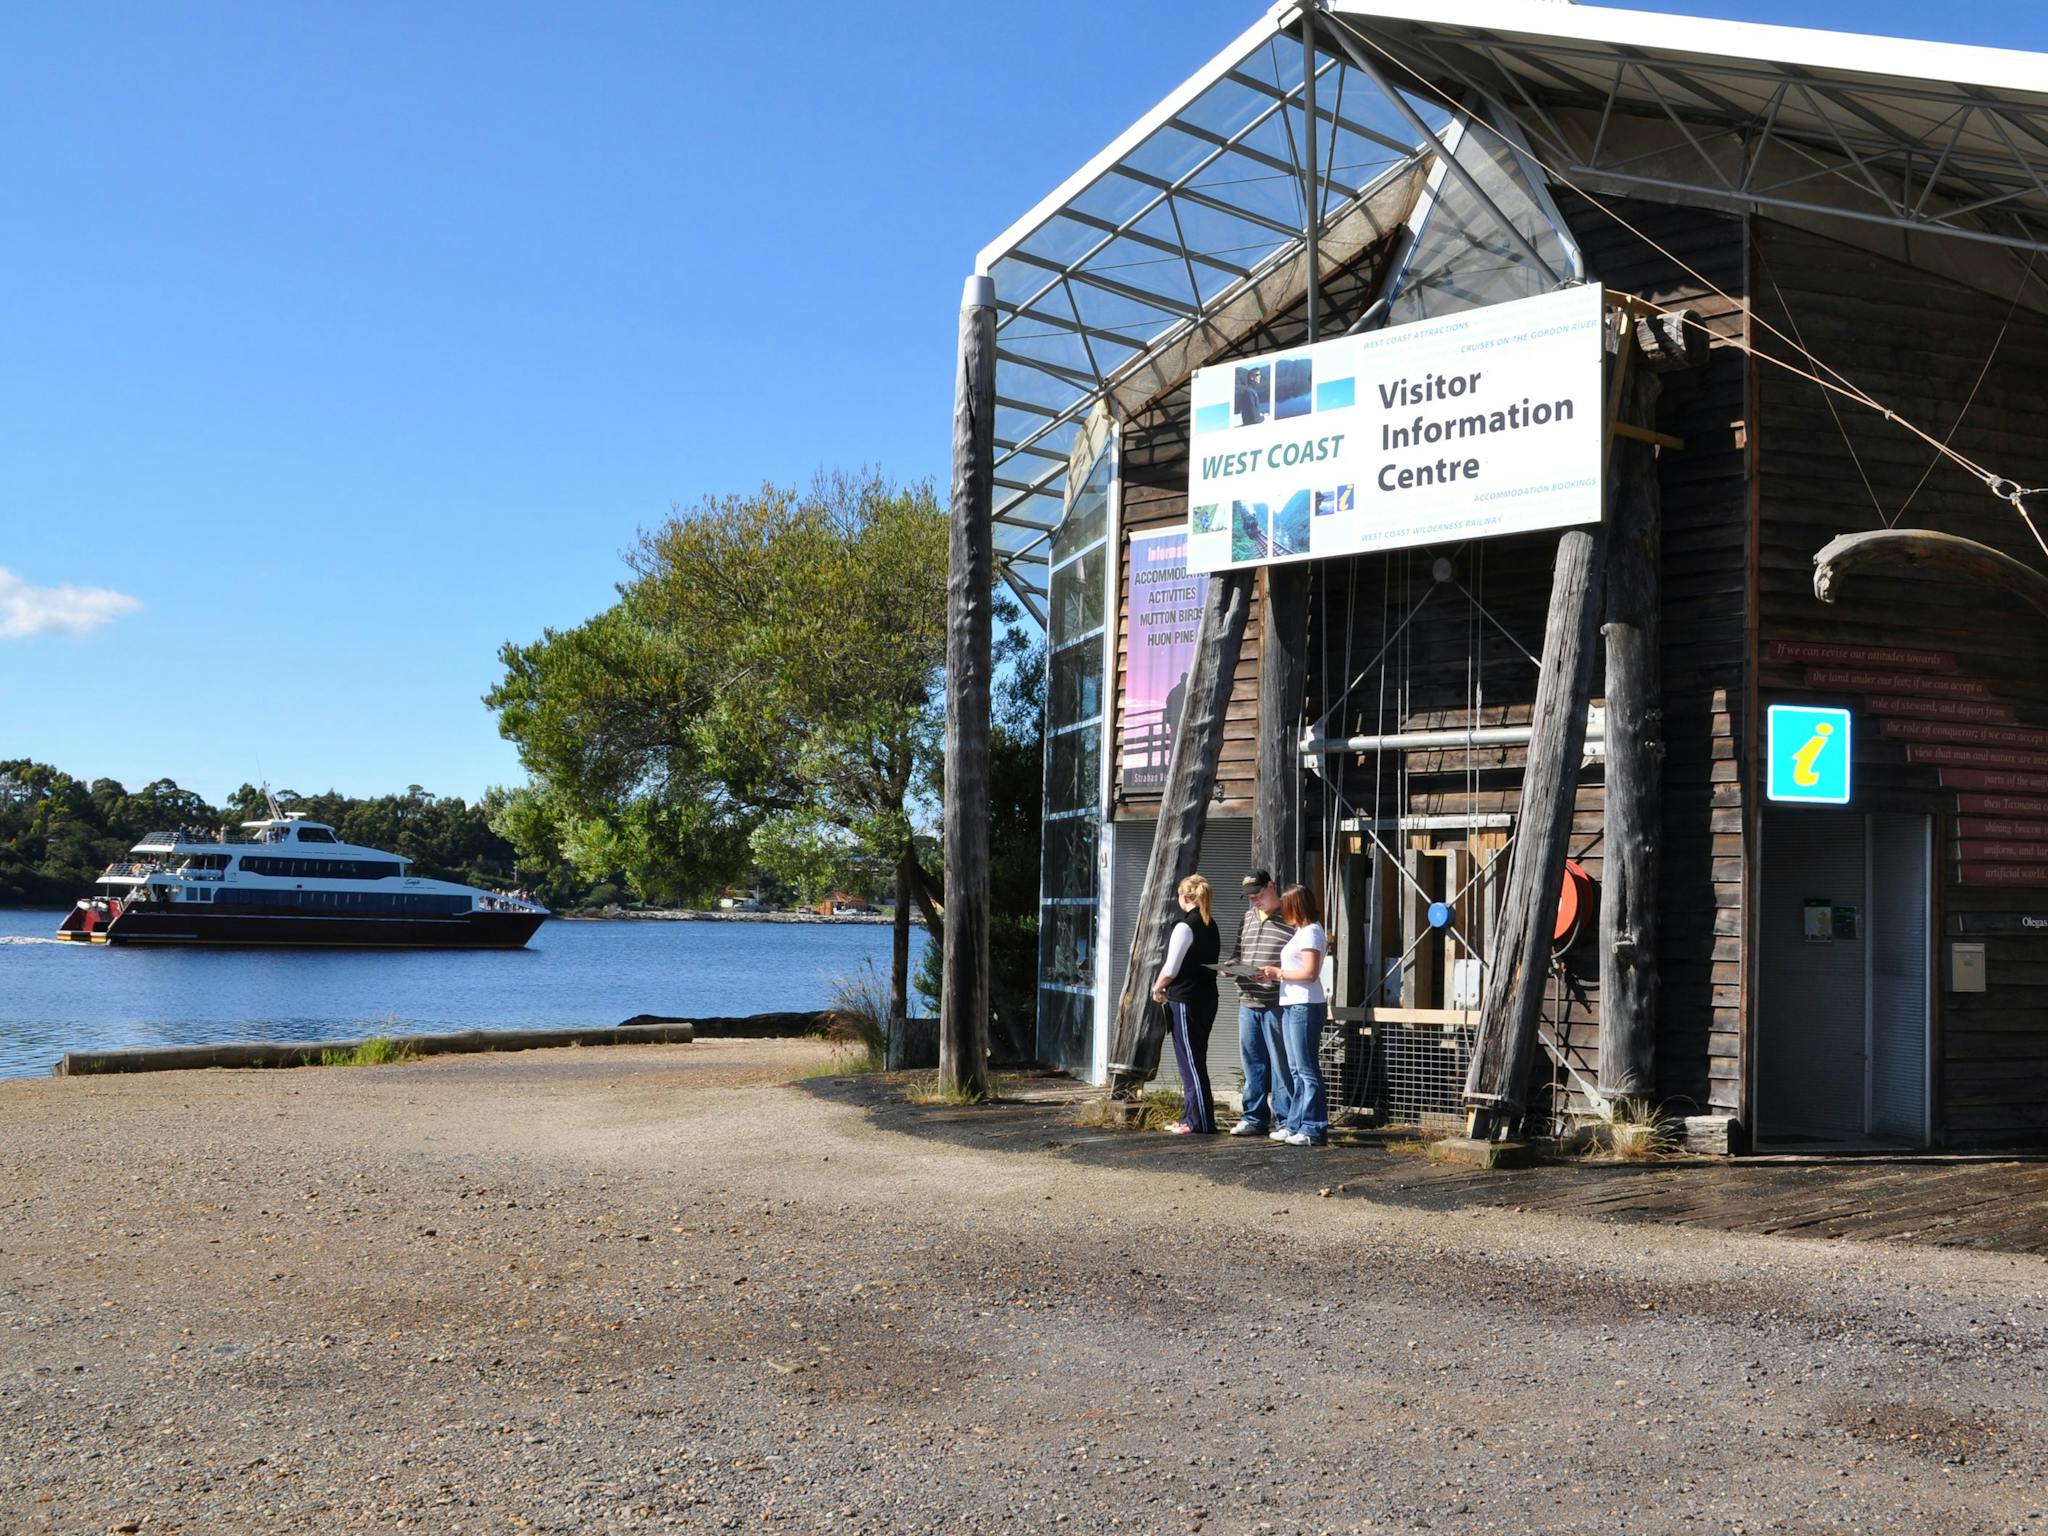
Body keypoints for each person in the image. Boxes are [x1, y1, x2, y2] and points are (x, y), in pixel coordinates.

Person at [1225, 869, 1295, 1138]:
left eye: (1258, 893)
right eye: (1250, 896)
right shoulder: (1247, 918)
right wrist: (1229, 969)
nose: (1254, 899)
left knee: (1280, 1064)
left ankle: (1285, 1119)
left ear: (1271, 886)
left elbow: (1298, 960)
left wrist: (1273, 971)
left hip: (1276, 1001)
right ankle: (1253, 1117)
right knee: (1252, 1063)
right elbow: (1236, 954)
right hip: (1247, 1000)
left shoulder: (1291, 918)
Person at [1259, 884, 1329, 1147]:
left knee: (1306, 1068)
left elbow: (1310, 974)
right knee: (1295, 1069)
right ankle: (1296, 1123)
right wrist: (1273, 973)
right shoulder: (1301, 932)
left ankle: (1313, 1128)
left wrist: (1279, 974)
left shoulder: (1311, 932)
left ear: (1295, 907)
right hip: (1291, 1002)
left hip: (1305, 1005)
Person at [1150, 873, 1220, 1134]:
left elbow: (1171, 967)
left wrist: (1157, 987)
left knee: (1190, 1062)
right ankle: (1192, 1115)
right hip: (1207, 998)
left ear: (1185, 896)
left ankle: (1199, 1121)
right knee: (1195, 1058)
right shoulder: (1210, 924)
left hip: (1186, 1000)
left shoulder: (1185, 926)